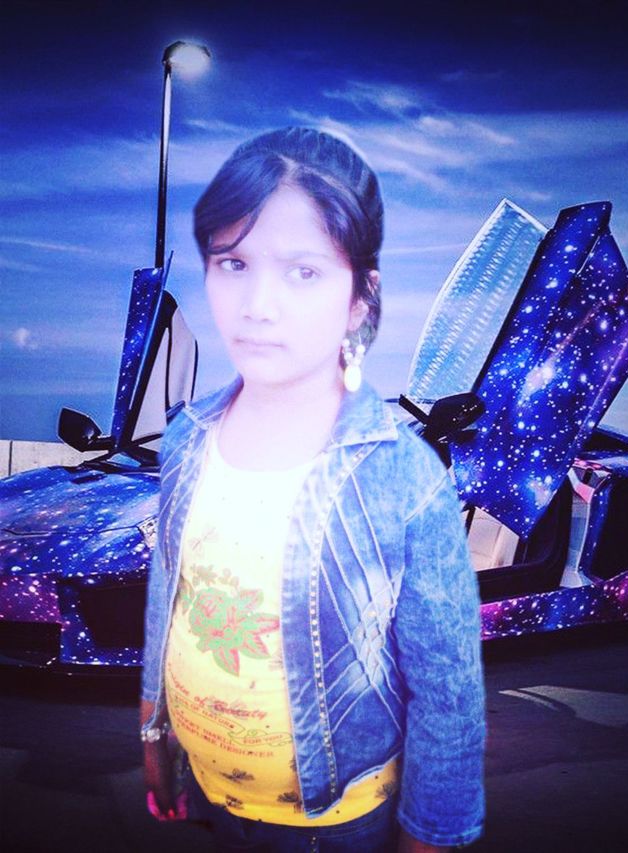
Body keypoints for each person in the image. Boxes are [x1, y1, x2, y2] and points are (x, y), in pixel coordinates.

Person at [140, 126, 485, 852]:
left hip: (331, 822)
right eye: (234, 263)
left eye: (303, 271)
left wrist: (432, 836)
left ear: (360, 298)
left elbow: (448, 693)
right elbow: (168, 595)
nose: (257, 305)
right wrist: (153, 730)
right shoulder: (186, 439)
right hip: (206, 787)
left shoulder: (405, 476)